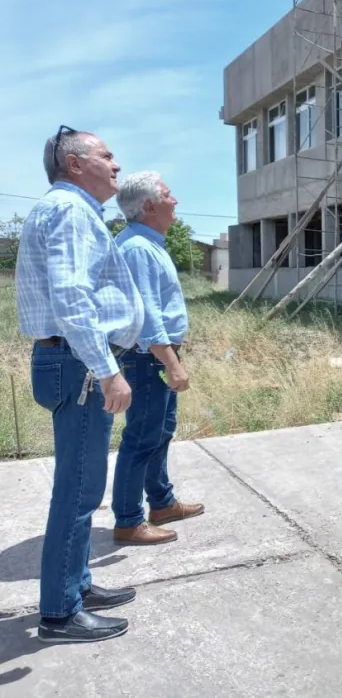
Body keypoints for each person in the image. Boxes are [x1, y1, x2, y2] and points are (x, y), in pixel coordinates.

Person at [15, 127, 144, 643]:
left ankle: (77, 584)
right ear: (74, 164)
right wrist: (106, 368)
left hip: (69, 360)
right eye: (106, 156)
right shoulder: (70, 212)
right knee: (79, 488)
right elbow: (72, 300)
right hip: (79, 363)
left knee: (83, 483)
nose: (116, 164)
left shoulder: (69, 210)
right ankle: (61, 613)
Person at [111, 172, 203, 546]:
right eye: (168, 194)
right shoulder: (136, 248)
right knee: (142, 437)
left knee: (159, 432)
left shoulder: (149, 244)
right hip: (147, 358)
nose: (175, 200)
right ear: (149, 206)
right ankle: (129, 520)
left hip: (153, 357)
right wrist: (171, 362)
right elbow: (147, 314)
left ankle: (162, 503)